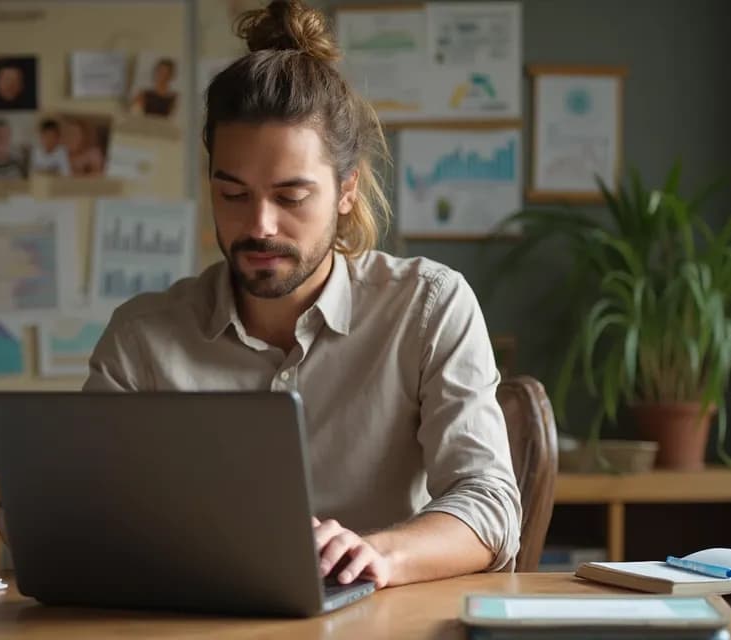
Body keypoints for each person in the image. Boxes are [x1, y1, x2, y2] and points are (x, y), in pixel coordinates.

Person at [84, 0, 521, 589]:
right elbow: (78, 508)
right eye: (233, 194)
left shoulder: (428, 306)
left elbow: (490, 505)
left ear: (346, 190)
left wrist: (377, 556)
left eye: (291, 196)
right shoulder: (142, 338)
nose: (260, 225)